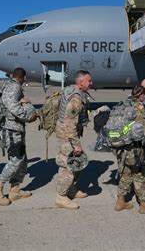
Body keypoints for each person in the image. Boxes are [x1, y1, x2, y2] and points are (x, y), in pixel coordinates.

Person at [0, 68, 37, 206]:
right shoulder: (14, 87)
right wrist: (28, 110)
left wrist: (22, 102)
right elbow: (15, 109)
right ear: (23, 77)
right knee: (16, 160)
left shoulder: (9, 86)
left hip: (15, 129)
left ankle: (15, 190)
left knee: (23, 160)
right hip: (11, 130)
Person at [114, 85, 145, 214]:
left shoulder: (125, 104)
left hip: (124, 147)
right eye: (144, 94)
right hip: (136, 148)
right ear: (141, 95)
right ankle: (144, 204)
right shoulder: (139, 107)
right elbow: (143, 127)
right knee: (140, 175)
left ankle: (120, 201)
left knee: (126, 174)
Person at [54, 70, 92, 210]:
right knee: (69, 164)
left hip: (64, 131)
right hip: (67, 134)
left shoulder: (70, 88)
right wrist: (76, 145)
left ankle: (70, 189)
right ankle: (61, 196)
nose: (91, 83)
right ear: (80, 82)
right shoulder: (76, 98)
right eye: (89, 81)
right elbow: (69, 123)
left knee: (73, 164)